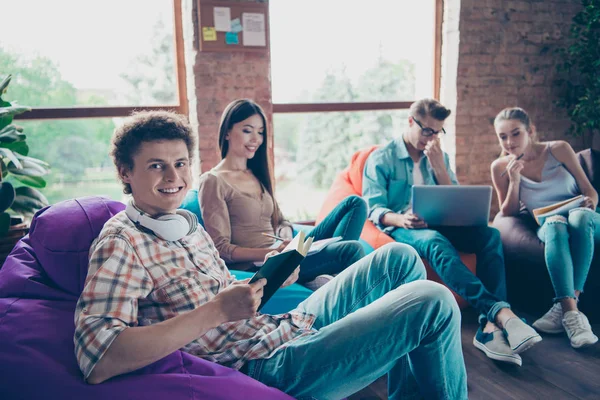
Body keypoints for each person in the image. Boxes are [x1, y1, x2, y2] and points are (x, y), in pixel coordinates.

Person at [73, 110, 468, 399]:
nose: (174, 178)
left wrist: (271, 277)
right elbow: (99, 358)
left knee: (397, 257)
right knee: (433, 300)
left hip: (275, 326)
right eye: (157, 166)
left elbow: (227, 287)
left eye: (179, 164)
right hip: (261, 365)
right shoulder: (121, 241)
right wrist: (216, 311)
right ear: (125, 172)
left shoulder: (187, 226)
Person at [362, 98, 542, 366]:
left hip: (442, 221)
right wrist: (401, 219)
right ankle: (502, 314)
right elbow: (373, 208)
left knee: (491, 235)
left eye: (437, 132)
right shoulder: (382, 158)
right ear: (411, 122)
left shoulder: (438, 156)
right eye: (427, 131)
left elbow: (455, 197)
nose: (432, 138)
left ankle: (489, 327)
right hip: (405, 227)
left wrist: (440, 168)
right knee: (435, 242)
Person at [198, 99, 367, 287]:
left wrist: (283, 230)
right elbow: (221, 249)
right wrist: (274, 252)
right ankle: (328, 278)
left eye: (260, 132)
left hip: (284, 252)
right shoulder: (213, 180)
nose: (256, 139)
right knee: (351, 250)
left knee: (354, 203)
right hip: (263, 263)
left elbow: (279, 220)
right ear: (227, 132)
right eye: (247, 130)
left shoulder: (256, 173)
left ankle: (325, 277)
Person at [491, 107, 599, 349]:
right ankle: (572, 315)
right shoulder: (500, 167)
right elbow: (506, 213)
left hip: (585, 217)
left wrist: (590, 203)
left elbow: (589, 189)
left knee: (579, 218)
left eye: (516, 133)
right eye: (503, 136)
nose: (509, 142)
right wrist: (514, 181)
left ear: (530, 131)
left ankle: (564, 308)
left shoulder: (559, 149)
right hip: (548, 221)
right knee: (554, 225)